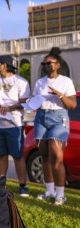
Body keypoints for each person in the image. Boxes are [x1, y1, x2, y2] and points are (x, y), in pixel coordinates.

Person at [33, 47, 77, 205]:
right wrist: (31, 103)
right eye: (44, 63)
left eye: (49, 63)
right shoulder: (39, 82)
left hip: (58, 118)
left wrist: (59, 94)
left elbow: (72, 105)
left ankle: (60, 194)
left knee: (57, 157)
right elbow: (37, 100)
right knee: (45, 156)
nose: (46, 65)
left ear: (57, 65)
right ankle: (49, 191)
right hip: (41, 117)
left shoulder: (66, 81)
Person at [0, 55, 31, 196]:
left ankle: (23, 186)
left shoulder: (21, 82)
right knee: (2, 155)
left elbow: (25, 102)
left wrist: (10, 108)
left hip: (15, 124)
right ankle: (1, 185)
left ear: (5, 65)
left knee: (18, 156)